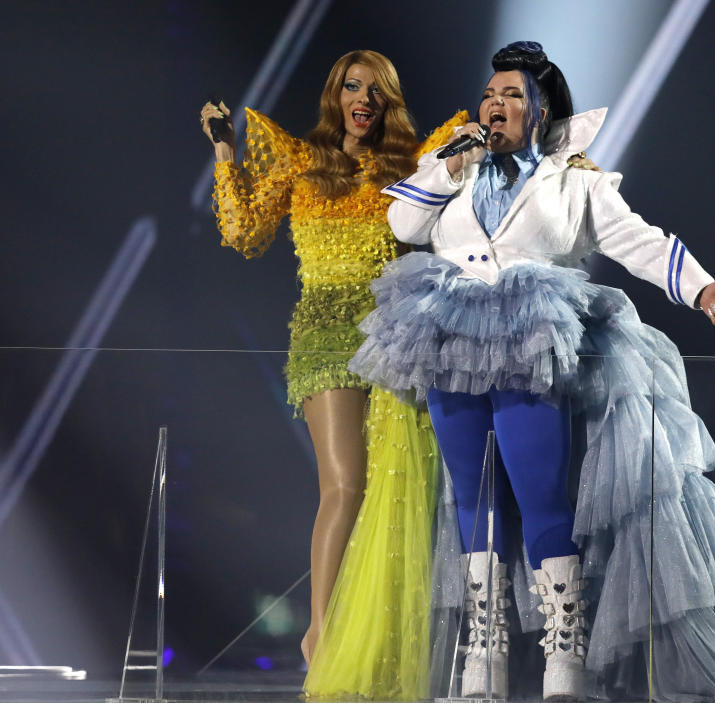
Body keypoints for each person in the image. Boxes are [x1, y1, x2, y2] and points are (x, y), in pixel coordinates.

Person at [349, 41, 715, 702]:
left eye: (512, 95)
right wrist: (450, 162)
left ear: (542, 108)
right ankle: (483, 654)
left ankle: (563, 656)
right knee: (472, 498)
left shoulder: (574, 180)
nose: (495, 105)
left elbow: (637, 237)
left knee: (541, 494)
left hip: (530, 333)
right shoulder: (456, 169)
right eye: (490, 94)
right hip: (448, 332)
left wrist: (698, 288)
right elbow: (402, 220)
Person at [201, 49, 466, 697]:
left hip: (394, 336)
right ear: (335, 95)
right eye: (353, 86)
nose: (364, 99)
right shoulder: (299, 161)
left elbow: (478, 163)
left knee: (395, 492)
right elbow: (240, 231)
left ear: (389, 101)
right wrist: (225, 153)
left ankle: (370, 640)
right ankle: (318, 628)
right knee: (345, 485)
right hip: (324, 333)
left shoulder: (411, 166)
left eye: (376, 90)